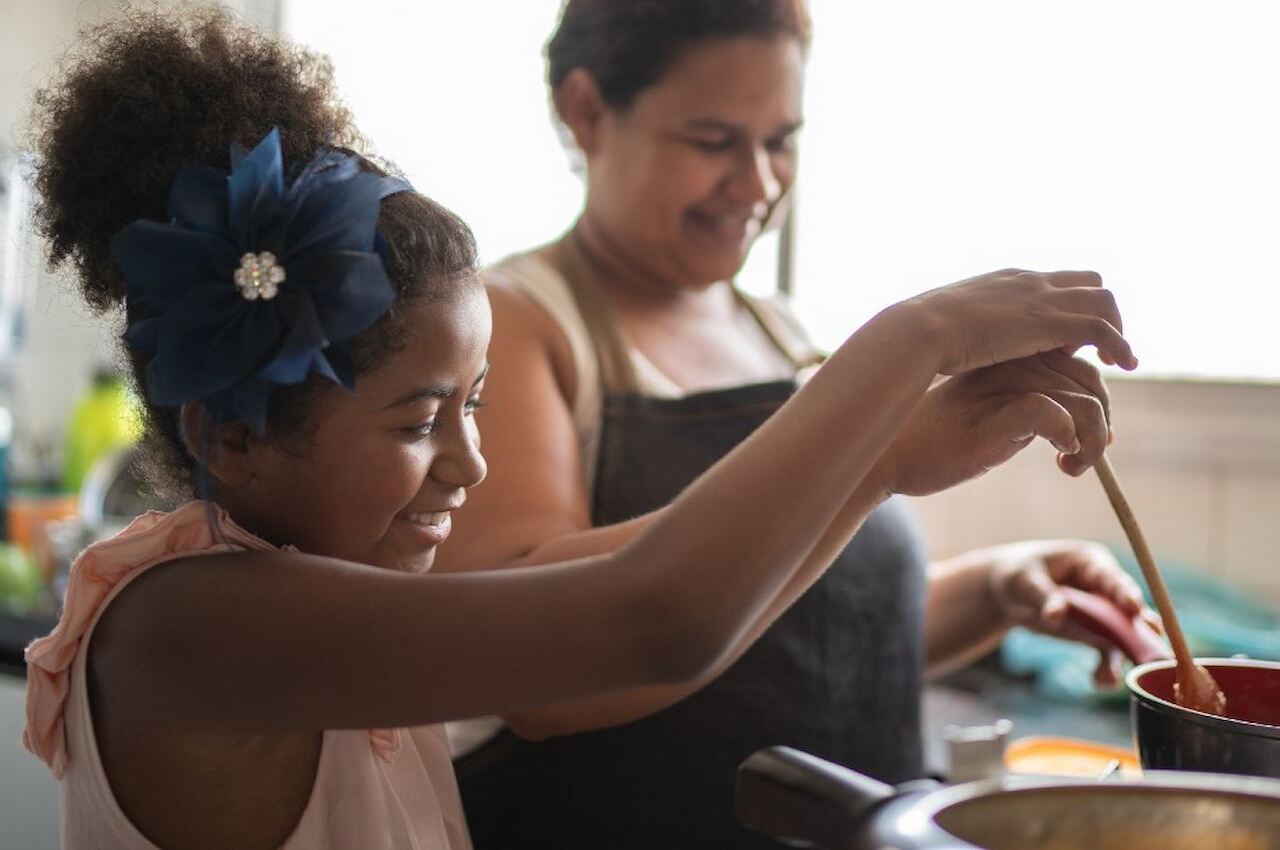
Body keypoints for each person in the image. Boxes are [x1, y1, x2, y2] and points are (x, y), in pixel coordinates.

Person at [23, 8, 1137, 850]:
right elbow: (651, 618)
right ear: (229, 437)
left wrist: (895, 467)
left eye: (473, 403)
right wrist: (913, 344)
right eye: (420, 418)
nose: (469, 458)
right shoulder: (197, 626)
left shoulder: (327, 594)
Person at [436, 1, 1151, 847]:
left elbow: (800, 636)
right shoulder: (520, 326)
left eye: (780, 142)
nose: (760, 183)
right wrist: (877, 447)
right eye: (713, 142)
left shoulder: (778, 331)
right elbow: (542, 677)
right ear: (587, 111)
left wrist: (995, 589)